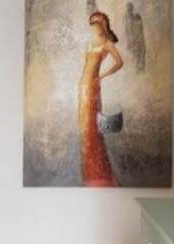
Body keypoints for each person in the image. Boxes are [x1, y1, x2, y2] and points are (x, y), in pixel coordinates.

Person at [77, 11, 124, 187]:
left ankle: (99, 174)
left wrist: (103, 75)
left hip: (92, 86)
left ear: (103, 25)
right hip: (82, 86)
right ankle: (89, 172)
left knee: (92, 127)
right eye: (92, 24)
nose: (93, 27)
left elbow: (119, 62)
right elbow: (86, 65)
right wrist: (82, 83)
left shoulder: (107, 43)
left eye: (96, 23)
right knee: (84, 127)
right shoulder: (90, 43)